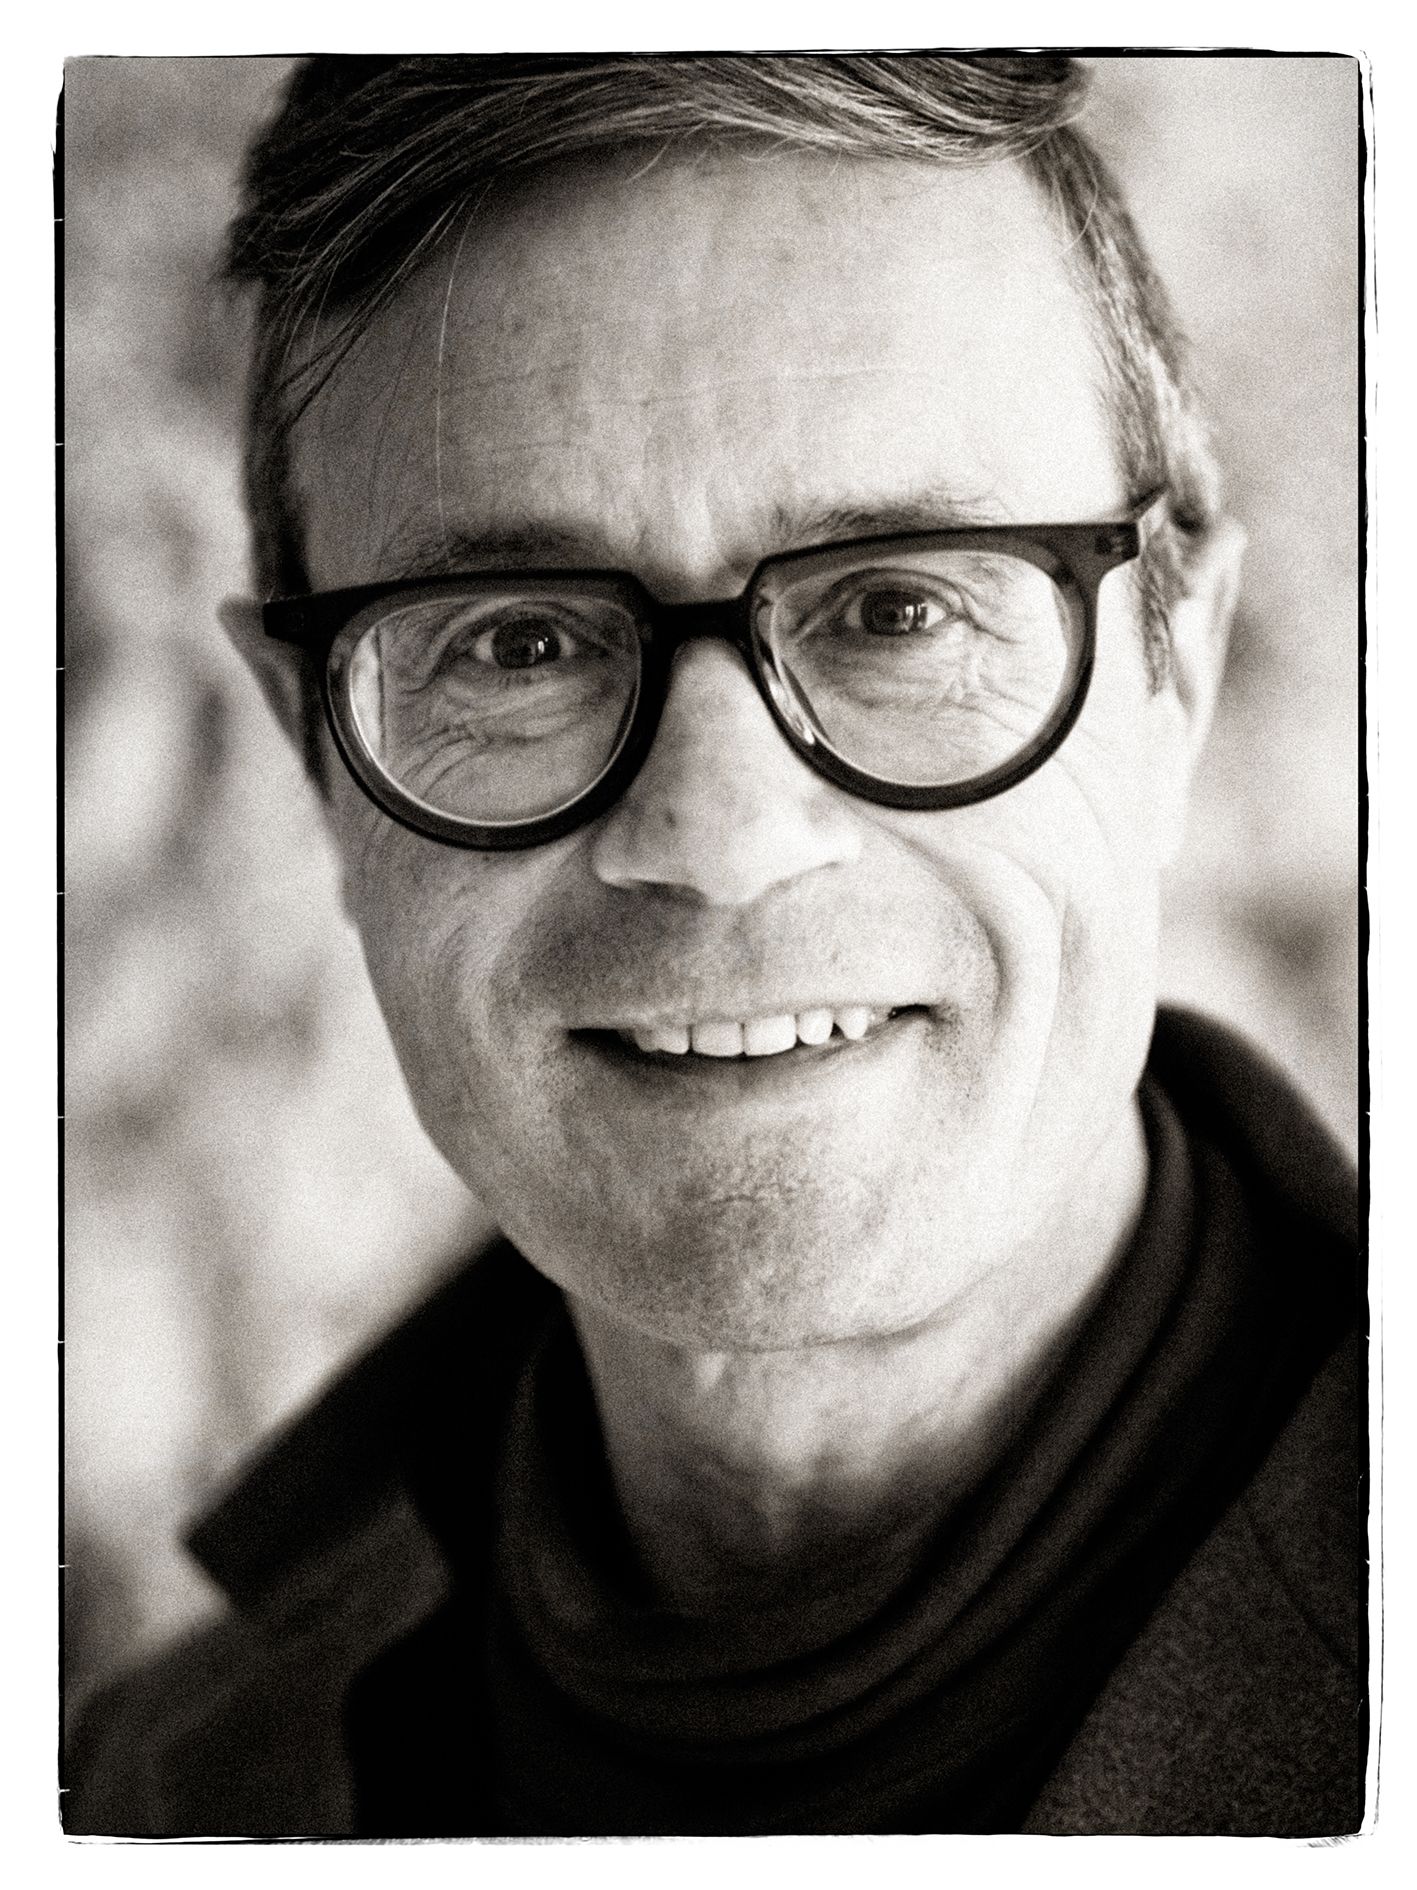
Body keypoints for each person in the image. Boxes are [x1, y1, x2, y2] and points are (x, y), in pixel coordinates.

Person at [64, 52, 1365, 1838]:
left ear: (1176, 669)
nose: (718, 839)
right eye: (515, 643)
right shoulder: (143, 1793)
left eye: (896, 605)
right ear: (316, 750)